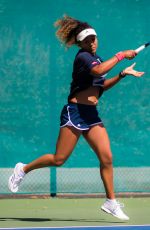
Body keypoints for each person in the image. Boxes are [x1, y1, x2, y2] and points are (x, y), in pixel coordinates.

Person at [8, 15, 144, 221]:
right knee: (59, 159)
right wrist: (121, 55)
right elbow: (99, 71)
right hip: (75, 112)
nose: (93, 42)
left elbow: (101, 86)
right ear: (80, 42)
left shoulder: (97, 59)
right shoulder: (83, 57)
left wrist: (122, 75)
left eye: (94, 38)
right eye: (88, 40)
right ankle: (23, 169)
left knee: (107, 158)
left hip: (91, 114)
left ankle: (111, 202)